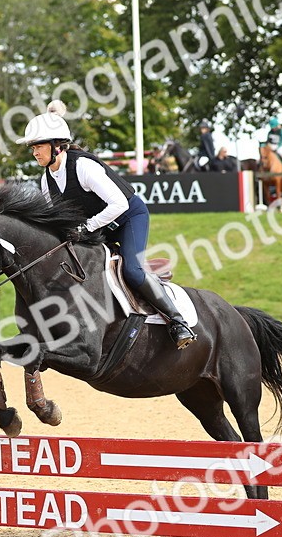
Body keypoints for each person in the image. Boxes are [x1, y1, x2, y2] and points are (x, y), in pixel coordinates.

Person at [17, 99, 196, 349]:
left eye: (38, 146)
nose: (34, 152)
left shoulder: (83, 167)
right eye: (32, 147)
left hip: (128, 217)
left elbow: (119, 204)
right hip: (99, 227)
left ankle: (178, 322)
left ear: (57, 146)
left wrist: (87, 227)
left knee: (132, 271)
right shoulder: (46, 179)